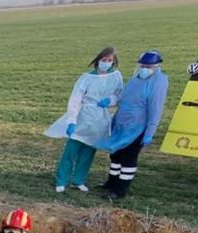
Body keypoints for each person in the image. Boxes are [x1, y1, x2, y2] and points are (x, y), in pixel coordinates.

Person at [45, 47, 124, 193]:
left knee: (88, 152)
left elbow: (119, 94)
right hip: (84, 115)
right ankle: (61, 180)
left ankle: (78, 180)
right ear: (98, 60)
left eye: (110, 60)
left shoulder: (116, 76)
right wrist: (72, 120)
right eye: (104, 60)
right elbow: (75, 99)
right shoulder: (87, 78)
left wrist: (110, 100)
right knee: (71, 150)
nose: (106, 63)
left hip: (100, 119)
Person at [98, 50, 170, 200]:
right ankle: (111, 183)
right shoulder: (136, 78)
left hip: (138, 127)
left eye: (148, 66)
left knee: (128, 158)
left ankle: (120, 190)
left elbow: (155, 109)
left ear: (156, 66)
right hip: (122, 123)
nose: (144, 68)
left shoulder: (158, 83)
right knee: (116, 155)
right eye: (142, 65)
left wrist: (149, 132)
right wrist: (110, 101)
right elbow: (123, 97)